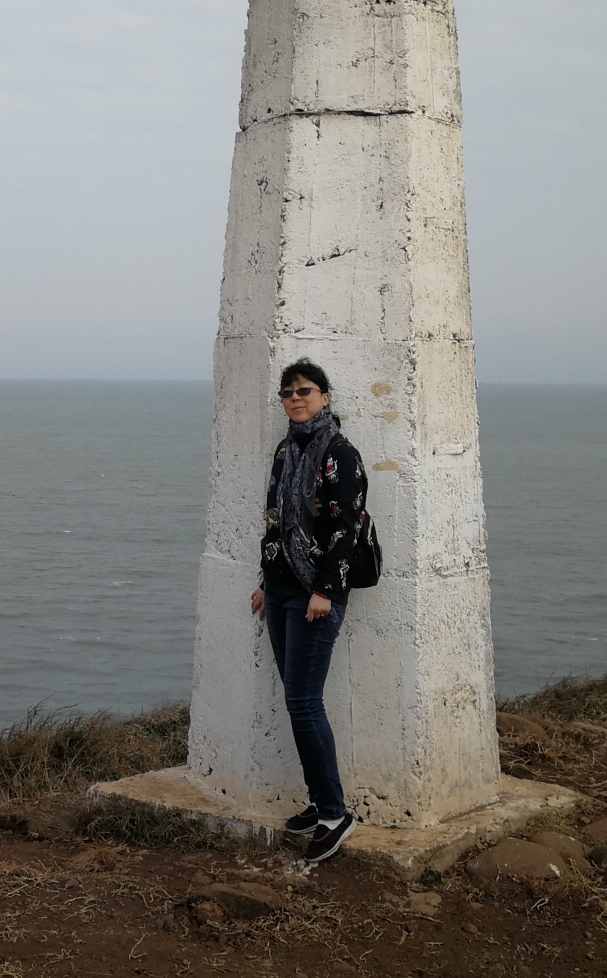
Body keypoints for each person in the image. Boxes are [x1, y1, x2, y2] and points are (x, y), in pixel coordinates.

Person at [248, 358, 371, 863]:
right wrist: (265, 580)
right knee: (297, 701)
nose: (294, 398)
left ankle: (334, 814)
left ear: (324, 396)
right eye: (287, 392)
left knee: (304, 704)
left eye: (304, 390)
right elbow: (275, 518)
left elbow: (349, 528)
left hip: (315, 596)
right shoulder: (285, 451)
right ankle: (322, 802)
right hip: (279, 591)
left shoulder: (339, 454)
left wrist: (324, 590)